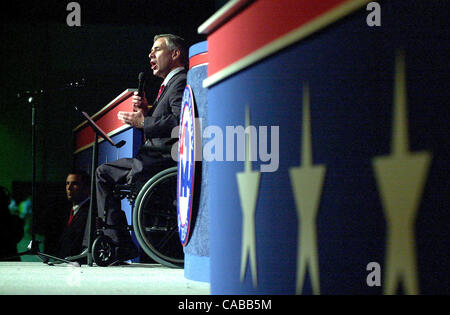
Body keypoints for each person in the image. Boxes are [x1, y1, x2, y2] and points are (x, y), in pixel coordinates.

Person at [95, 34, 188, 262]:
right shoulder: (169, 85)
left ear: (175, 54)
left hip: (161, 161)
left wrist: (142, 122)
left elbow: (180, 122)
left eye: (156, 49)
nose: (150, 55)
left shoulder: (180, 81)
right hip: (154, 157)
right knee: (103, 172)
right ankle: (114, 243)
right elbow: (165, 122)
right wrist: (146, 113)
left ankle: (118, 244)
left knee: (103, 174)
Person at [58, 170, 91, 262]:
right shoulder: (66, 210)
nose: (69, 187)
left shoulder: (92, 211)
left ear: (87, 187)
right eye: (67, 183)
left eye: (74, 184)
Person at [0, 186, 24, 261]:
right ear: (8, 202)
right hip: (12, 258)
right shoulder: (16, 220)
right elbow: (17, 238)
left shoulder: (15, 220)